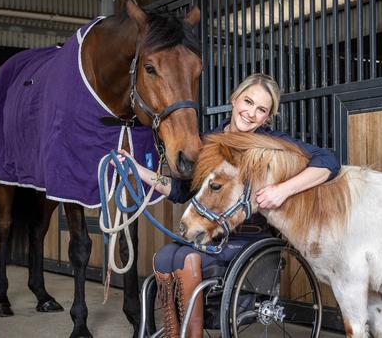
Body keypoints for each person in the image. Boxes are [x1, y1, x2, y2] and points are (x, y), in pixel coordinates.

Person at [115, 73, 340, 338]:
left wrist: (282, 190)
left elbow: (329, 160)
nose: (251, 113)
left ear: (267, 118)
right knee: (165, 256)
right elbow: (179, 191)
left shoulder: (271, 143)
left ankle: (192, 334)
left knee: (187, 257)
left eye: (261, 110)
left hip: (249, 240)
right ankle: (176, 331)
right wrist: (137, 169)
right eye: (248, 102)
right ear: (234, 100)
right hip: (211, 231)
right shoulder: (209, 141)